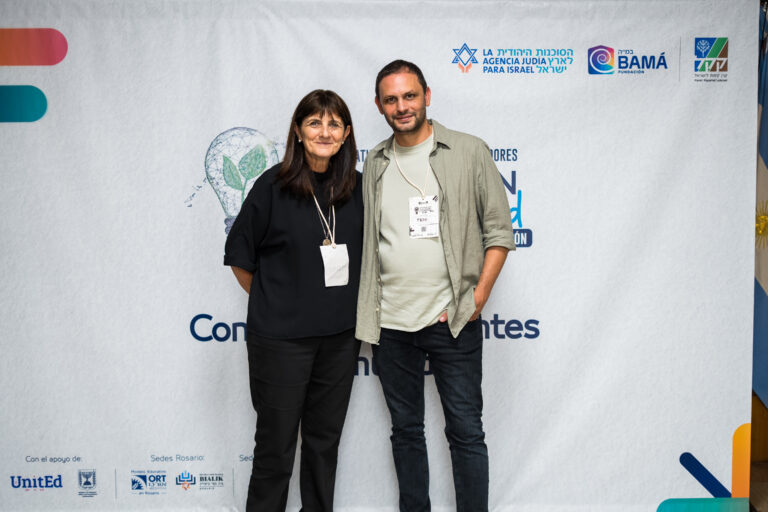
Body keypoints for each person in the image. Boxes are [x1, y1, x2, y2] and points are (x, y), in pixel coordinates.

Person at [356, 60, 515, 511]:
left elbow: (499, 231)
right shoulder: (376, 163)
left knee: (466, 431)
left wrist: (477, 296)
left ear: (427, 95)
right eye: (391, 99)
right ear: (379, 106)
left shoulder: (468, 150)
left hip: (453, 320)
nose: (401, 106)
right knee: (405, 432)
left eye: (409, 95)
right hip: (391, 325)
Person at [224, 89, 362, 512]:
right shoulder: (273, 186)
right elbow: (240, 258)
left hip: (340, 340)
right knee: (276, 447)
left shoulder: (357, 188)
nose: (324, 132)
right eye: (314, 123)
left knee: (324, 443)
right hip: (281, 342)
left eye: (334, 124)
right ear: (298, 132)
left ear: (346, 134)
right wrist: (279, 301)